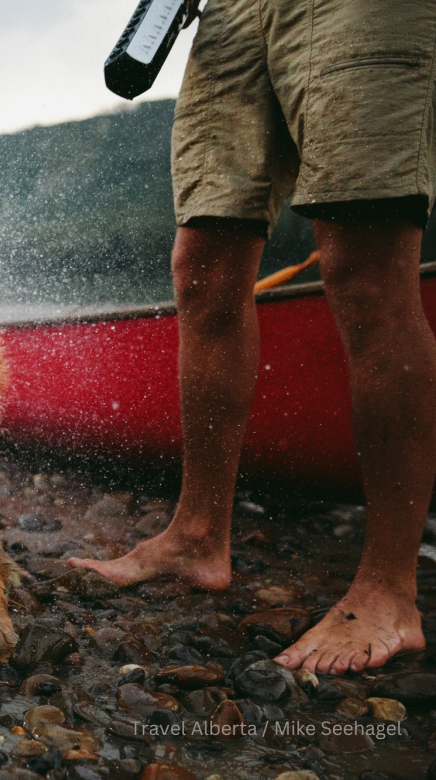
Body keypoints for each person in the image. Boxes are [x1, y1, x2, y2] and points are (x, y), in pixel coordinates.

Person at [72, 0, 436, 674]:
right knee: (204, 268)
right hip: (232, 12)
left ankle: (390, 590)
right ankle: (198, 535)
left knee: (366, 266)